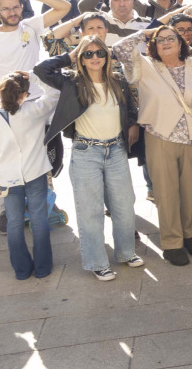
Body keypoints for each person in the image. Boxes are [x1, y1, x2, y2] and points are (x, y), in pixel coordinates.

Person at [36, 37, 144, 280]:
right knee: (90, 210)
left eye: (99, 53)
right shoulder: (72, 83)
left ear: (106, 56)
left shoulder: (118, 82)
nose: (95, 57)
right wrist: (70, 55)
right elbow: (41, 70)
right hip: (86, 153)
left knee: (124, 206)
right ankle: (97, 261)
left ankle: (126, 253)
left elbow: (131, 108)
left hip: (115, 150)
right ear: (81, 59)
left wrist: (133, 124)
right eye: (88, 54)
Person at [115, 25, 192, 264]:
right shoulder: (145, 67)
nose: (166, 42)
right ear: (153, 45)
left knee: (190, 191)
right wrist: (146, 33)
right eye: (161, 40)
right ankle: (171, 243)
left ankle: (189, 234)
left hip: (191, 137)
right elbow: (120, 49)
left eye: (172, 38)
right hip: (159, 136)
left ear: (181, 43)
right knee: (166, 193)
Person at [0, 71, 59, 279]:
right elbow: (55, 93)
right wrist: (35, 76)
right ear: (24, 94)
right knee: (39, 220)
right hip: (36, 173)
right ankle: (43, 268)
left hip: (7, 178)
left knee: (14, 224)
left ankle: (21, 271)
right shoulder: (34, 110)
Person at [0, 0, 71, 121]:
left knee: (44, 142)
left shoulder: (31, 26)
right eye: (6, 9)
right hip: (4, 104)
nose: (12, 13)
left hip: (37, 101)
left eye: (15, 7)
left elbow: (65, 7)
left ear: (22, 7)